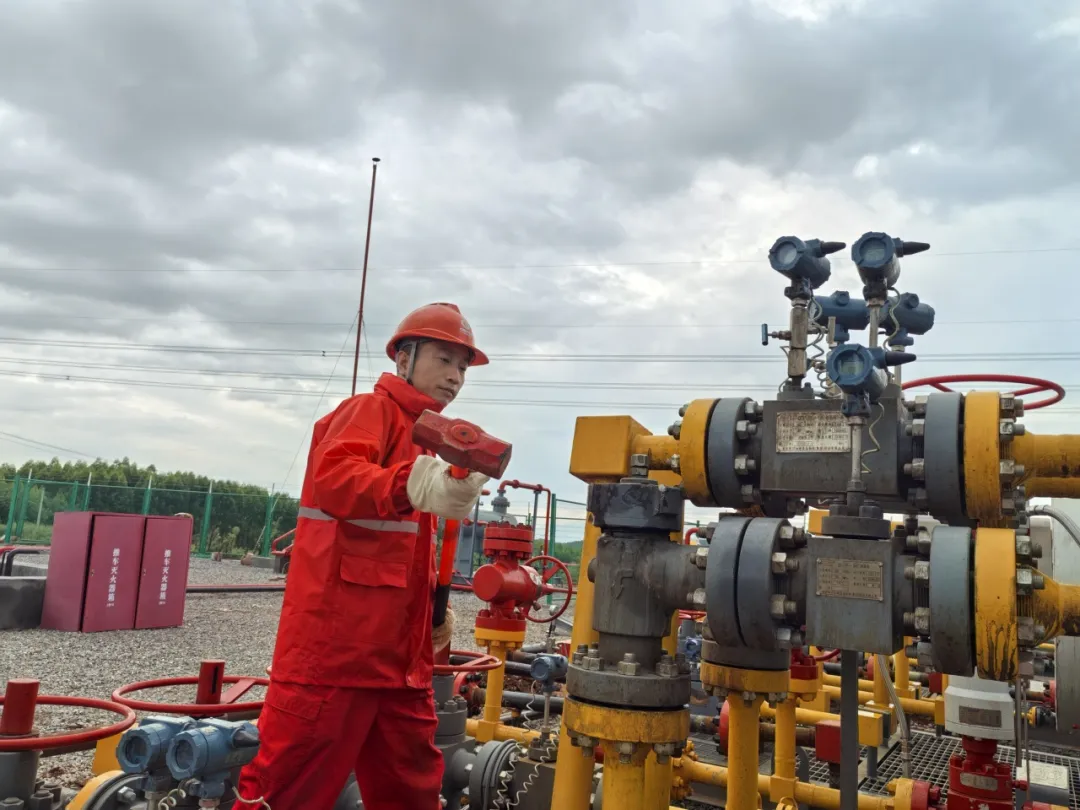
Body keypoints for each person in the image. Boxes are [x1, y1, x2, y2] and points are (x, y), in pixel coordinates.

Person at [238, 303, 491, 810]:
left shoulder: (425, 439)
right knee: (288, 788)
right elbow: (336, 478)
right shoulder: (369, 412)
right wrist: (412, 482)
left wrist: (429, 616)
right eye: (444, 360)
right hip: (335, 655)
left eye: (463, 367)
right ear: (404, 358)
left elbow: (397, 551)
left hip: (399, 665)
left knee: (412, 791)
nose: (455, 377)